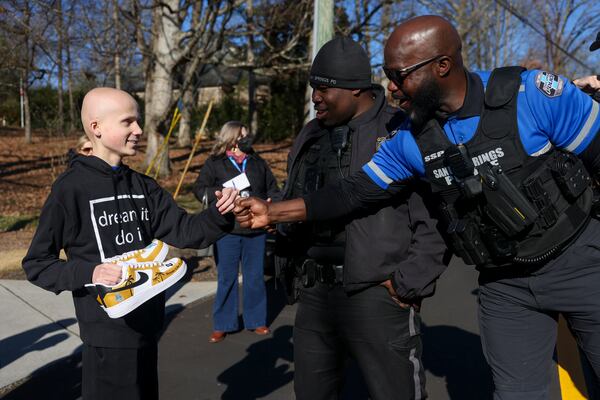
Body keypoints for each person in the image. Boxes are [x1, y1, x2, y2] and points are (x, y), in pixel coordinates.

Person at [234, 15, 600, 400]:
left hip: (582, 265)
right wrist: (273, 212)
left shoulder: (533, 97)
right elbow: (351, 192)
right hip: (506, 287)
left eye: (399, 74)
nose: (390, 87)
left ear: (442, 66)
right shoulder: (411, 139)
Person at [22, 87, 238, 400]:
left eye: (137, 122)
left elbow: (186, 232)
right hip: (106, 333)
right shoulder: (70, 190)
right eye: (128, 122)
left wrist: (219, 214)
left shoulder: (143, 186)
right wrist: (91, 273)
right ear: (96, 127)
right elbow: (37, 264)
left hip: (148, 324)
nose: (138, 130)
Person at [275, 37, 446, 400]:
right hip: (315, 296)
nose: (315, 97)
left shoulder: (402, 130)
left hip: (378, 295)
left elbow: (435, 217)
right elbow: (295, 196)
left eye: (323, 88)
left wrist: (409, 282)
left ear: (355, 90)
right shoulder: (310, 135)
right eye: (312, 88)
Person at [193, 121, 279, 343]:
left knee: (254, 277)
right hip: (227, 230)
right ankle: (223, 324)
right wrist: (221, 193)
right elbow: (200, 189)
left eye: (247, 135)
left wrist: (272, 203)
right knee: (227, 278)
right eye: (243, 135)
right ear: (231, 138)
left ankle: (256, 320)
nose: (246, 138)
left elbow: (273, 189)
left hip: (255, 230)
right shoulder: (215, 163)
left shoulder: (257, 162)